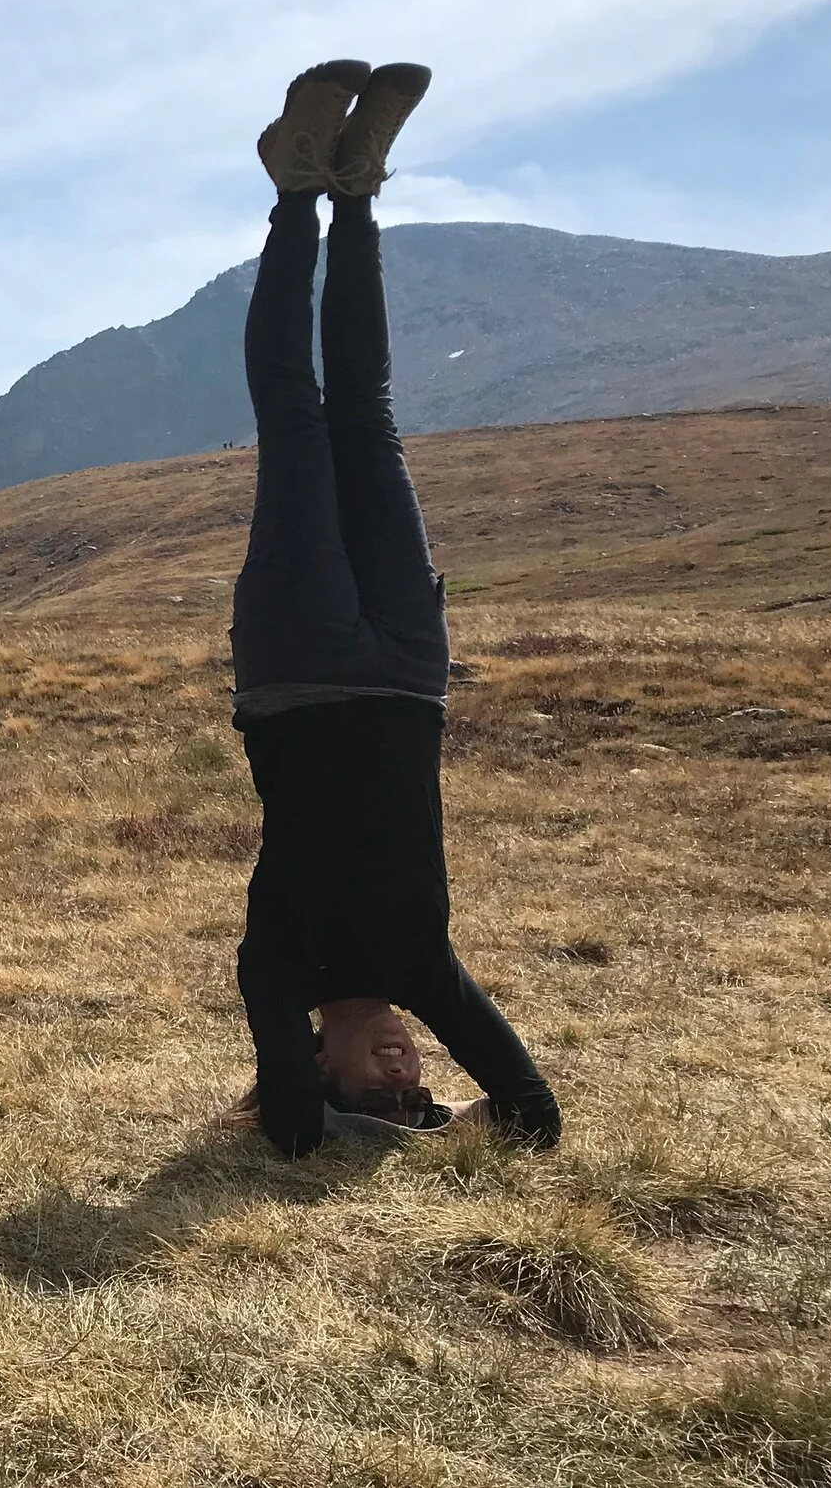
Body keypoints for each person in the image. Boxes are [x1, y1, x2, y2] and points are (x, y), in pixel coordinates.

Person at [229, 60, 565, 1158]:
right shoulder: (424, 971)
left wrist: (342, 1136)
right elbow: (532, 1118)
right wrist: (436, 1138)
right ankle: (360, 190)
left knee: (296, 416)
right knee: (366, 418)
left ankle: (292, 192)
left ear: (314, 1064)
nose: (401, 1071)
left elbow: (287, 1132)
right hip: (411, 674)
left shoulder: (278, 973)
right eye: (413, 1085)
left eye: (371, 1088)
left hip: (299, 671)